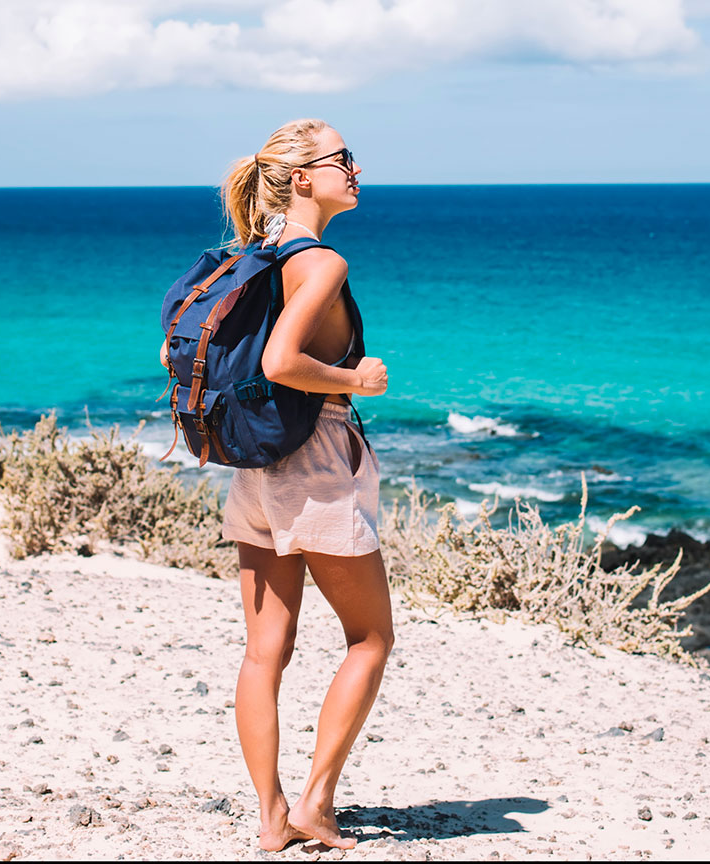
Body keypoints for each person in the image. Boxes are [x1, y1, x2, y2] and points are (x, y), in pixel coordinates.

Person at [217, 118, 391, 851]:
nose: (356, 169)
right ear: (300, 178)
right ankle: (316, 805)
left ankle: (269, 817)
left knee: (265, 650)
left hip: (256, 465)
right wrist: (356, 379)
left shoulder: (252, 255)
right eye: (341, 160)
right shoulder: (321, 262)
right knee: (371, 638)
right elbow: (284, 361)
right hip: (314, 459)